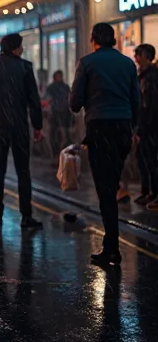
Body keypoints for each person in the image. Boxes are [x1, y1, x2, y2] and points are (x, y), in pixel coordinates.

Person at [70, 23, 140, 265]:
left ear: (93, 40)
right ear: (113, 40)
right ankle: (112, 244)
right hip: (122, 128)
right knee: (113, 181)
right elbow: (136, 101)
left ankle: (112, 247)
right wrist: (134, 129)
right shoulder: (128, 63)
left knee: (105, 189)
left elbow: (75, 102)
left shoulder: (87, 63)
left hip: (100, 128)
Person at [0, 33, 44, 230]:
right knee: (23, 171)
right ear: (15, 48)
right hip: (19, 126)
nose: (23, 49)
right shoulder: (25, 67)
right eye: (21, 46)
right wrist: (37, 125)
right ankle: (26, 215)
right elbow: (34, 100)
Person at [136, 44, 158, 210]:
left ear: (145, 56)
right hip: (144, 125)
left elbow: (149, 105)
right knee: (143, 159)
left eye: (138, 55)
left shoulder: (151, 77)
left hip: (151, 126)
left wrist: (143, 127)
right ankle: (148, 191)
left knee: (151, 160)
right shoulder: (143, 75)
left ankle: (154, 193)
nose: (136, 58)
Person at [43, 70, 73, 153]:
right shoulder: (57, 87)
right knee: (57, 131)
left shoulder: (62, 87)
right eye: (58, 76)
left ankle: (59, 148)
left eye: (60, 76)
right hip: (57, 112)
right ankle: (58, 149)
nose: (60, 78)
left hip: (61, 111)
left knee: (59, 131)